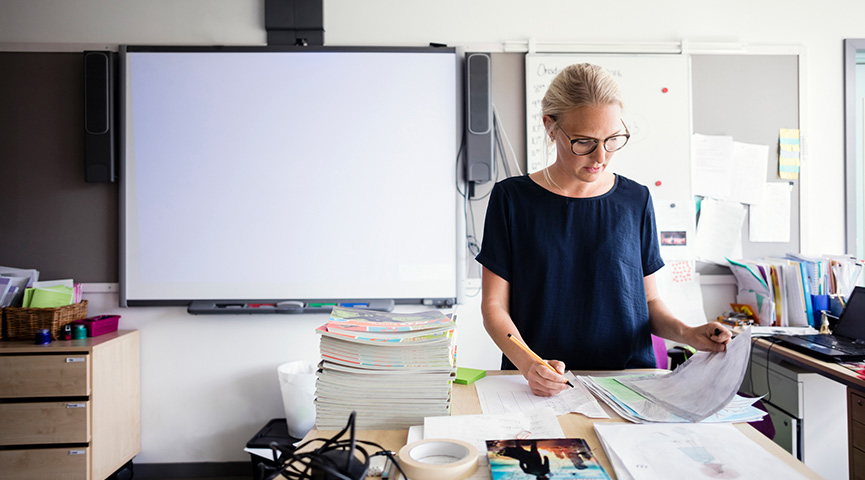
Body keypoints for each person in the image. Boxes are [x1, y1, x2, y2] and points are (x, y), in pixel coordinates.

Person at [476, 63, 730, 397]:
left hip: (629, 383)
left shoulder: (635, 199)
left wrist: (689, 333)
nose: (601, 156)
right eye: (584, 142)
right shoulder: (512, 199)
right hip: (538, 386)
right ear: (550, 127)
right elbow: (494, 306)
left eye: (612, 140)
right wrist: (527, 363)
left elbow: (649, 301)